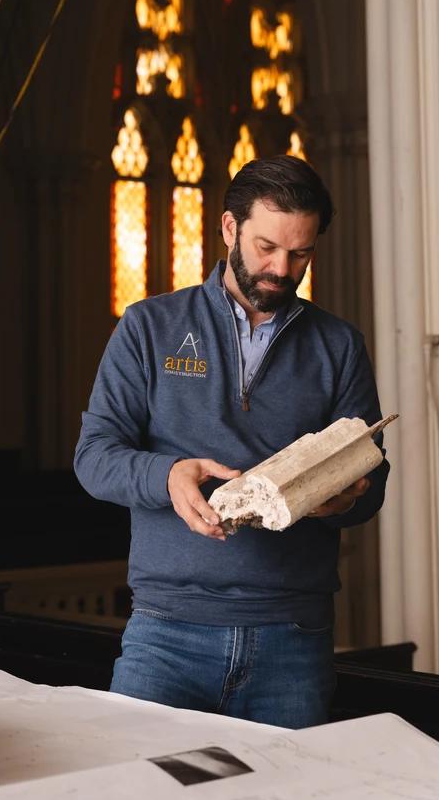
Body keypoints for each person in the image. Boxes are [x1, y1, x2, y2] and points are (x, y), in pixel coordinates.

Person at [74, 155, 389, 729]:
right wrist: (167, 476)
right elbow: (93, 457)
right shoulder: (148, 326)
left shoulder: (340, 346)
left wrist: (345, 498)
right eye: (266, 246)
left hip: (293, 641)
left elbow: (372, 488)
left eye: (300, 253)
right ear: (228, 228)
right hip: (166, 634)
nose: (280, 268)